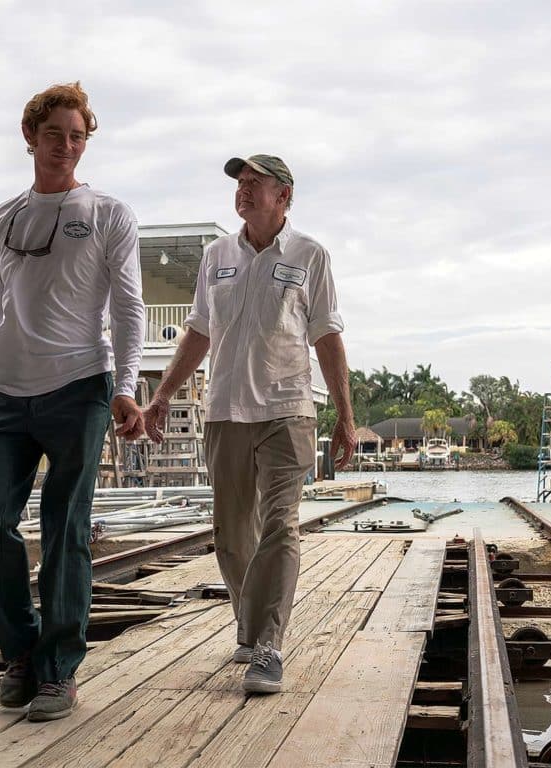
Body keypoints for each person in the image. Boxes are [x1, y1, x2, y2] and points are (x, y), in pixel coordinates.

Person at [0, 81, 145, 722]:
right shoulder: (1, 221)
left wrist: (125, 387)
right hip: (5, 394)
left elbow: (129, 307)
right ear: (30, 136)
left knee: (65, 526)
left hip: (80, 387)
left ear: (87, 142)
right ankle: (21, 653)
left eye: (77, 135)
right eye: (54, 133)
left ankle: (59, 672)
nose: (65, 145)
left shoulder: (110, 213)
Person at [143, 154, 356, 694]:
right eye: (240, 184)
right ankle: (250, 622)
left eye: (254, 184)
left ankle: (268, 644)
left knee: (281, 525)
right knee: (232, 536)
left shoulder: (310, 255)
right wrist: (164, 395)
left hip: (287, 411)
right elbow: (198, 331)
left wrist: (346, 418)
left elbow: (327, 337)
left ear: (284, 196)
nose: (243, 191)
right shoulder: (217, 255)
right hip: (225, 412)